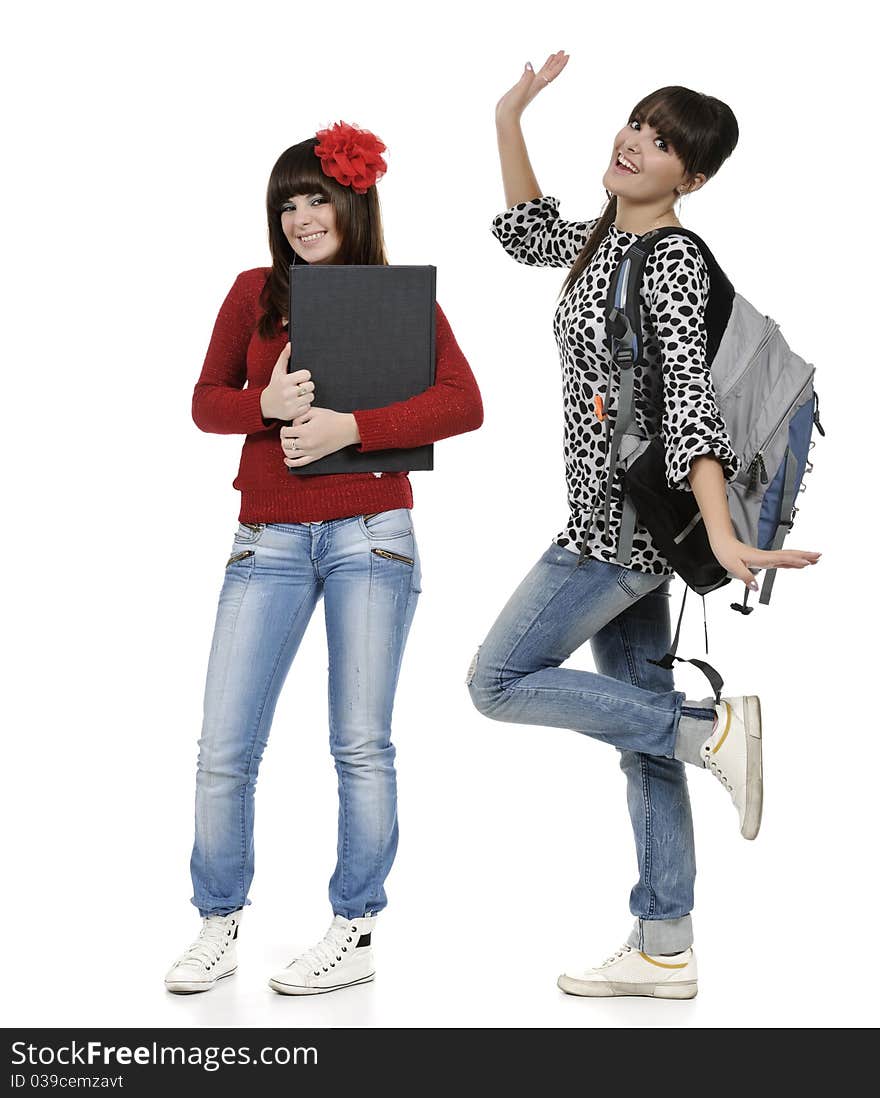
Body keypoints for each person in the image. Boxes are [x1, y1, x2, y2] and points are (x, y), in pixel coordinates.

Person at [466, 52, 821, 999]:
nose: (635, 142)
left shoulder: (671, 260)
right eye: (636, 123)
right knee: (638, 741)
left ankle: (707, 730)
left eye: (663, 142)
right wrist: (512, 115)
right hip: (603, 520)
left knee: (497, 681)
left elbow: (691, 412)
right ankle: (665, 944)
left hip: (619, 535)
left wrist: (723, 538)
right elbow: (522, 230)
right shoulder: (600, 242)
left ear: (691, 180)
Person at [164, 121, 483, 996]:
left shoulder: (395, 297)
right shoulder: (253, 292)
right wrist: (262, 404)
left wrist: (356, 429)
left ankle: (353, 930)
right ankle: (217, 922)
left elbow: (465, 401)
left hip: (371, 532)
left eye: (316, 198)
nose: (302, 217)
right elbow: (204, 402)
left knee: (360, 742)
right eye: (288, 203)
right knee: (225, 744)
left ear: (354, 200)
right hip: (266, 535)